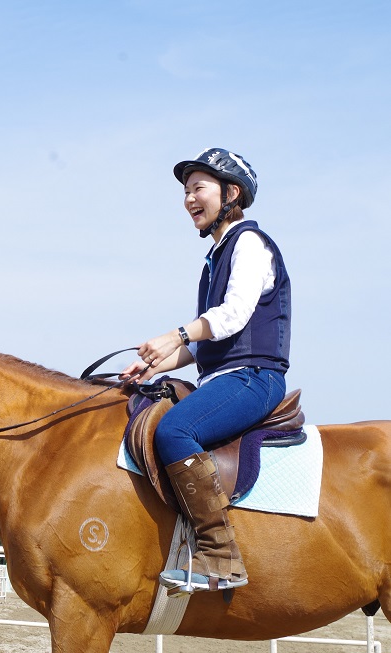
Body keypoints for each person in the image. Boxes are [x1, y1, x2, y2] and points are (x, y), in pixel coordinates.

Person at [120, 148, 291, 594]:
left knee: (174, 431)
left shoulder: (250, 244)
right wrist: (152, 362)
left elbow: (232, 317)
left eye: (198, 188)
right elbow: (205, 343)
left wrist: (175, 335)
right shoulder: (215, 257)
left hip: (254, 377)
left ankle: (220, 556)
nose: (188, 199)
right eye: (185, 191)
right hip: (223, 376)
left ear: (230, 193)